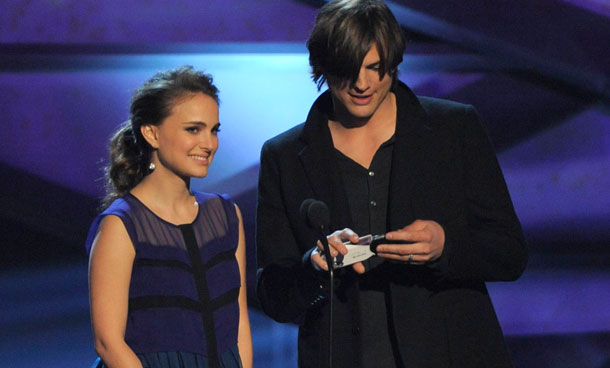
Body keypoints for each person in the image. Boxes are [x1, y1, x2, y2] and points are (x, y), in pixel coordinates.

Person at [255, 1, 528, 367]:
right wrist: (314, 268)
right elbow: (274, 295)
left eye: (375, 68)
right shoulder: (284, 156)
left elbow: (509, 253)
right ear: (322, 66)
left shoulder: (453, 129)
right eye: (347, 70)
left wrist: (444, 246)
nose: (362, 84)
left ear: (394, 63)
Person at [85, 66, 252, 368]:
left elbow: (238, 319)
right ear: (152, 133)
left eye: (214, 130)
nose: (209, 144)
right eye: (193, 129)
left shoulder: (227, 216)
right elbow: (108, 342)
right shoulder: (121, 226)